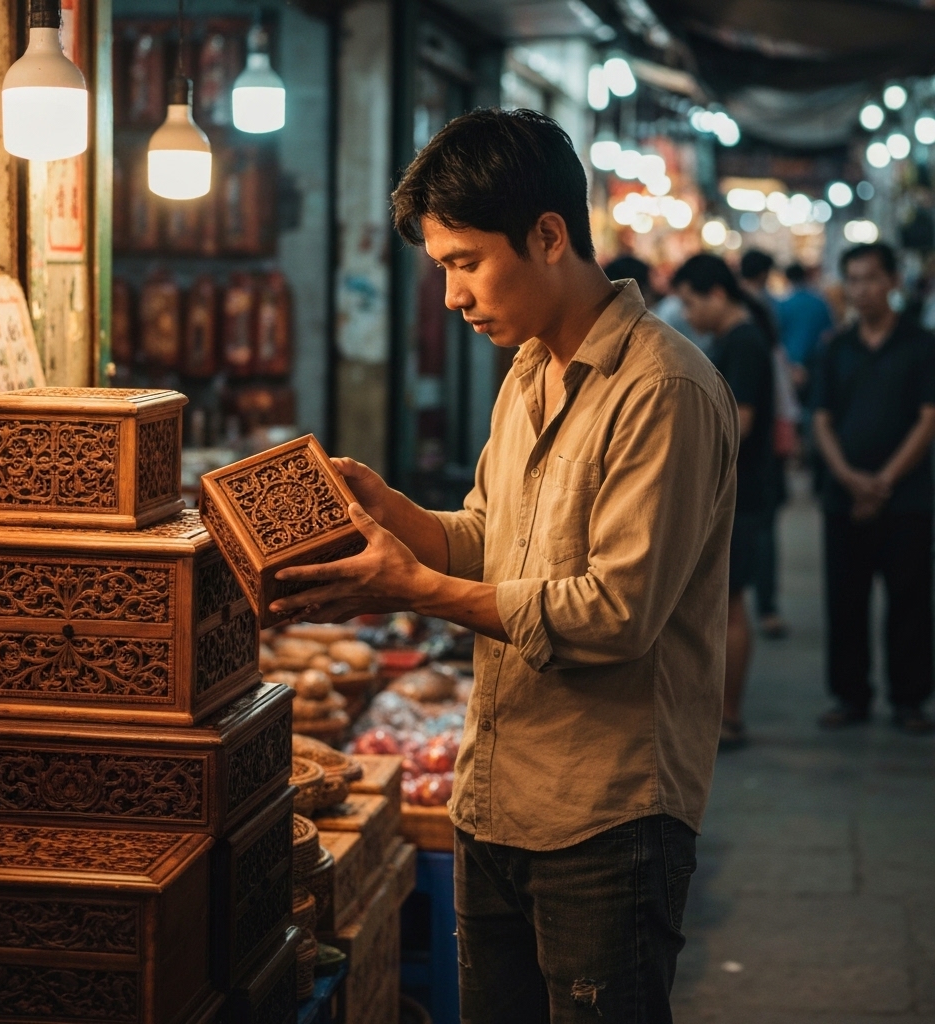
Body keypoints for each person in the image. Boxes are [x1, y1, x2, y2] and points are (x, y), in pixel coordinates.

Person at [268, 108, 739, 1022]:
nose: (451, 297)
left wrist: (416, 590)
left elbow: (616, 611)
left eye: (464, 263)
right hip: (495, 795)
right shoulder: (528, 372)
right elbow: (494, 535)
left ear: (549, 236)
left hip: (606, 817)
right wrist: (398, 516)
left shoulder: (665, 390)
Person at [813, 242, 935, 735]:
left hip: (905, 498)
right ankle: (850, 695)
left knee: (909, 600)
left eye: (870, 278)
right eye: (853, 280)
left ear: (892, 281)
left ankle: (909, 698)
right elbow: (820, 420)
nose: (860, 290)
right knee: (845, 601)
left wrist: (883, 481)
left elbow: (929, 419)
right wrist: (847, 477)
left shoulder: (921, 345)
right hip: (844, 498)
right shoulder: (834, 348)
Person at [673, 254, 775, 750]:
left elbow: (741, 419)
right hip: (741, 490)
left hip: (744, 492)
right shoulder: (737, 338)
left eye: (691, 303)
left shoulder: (744, 341)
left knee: (731, 605)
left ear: (717, 294)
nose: (688, 315)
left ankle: (729, 717)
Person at [740, 249, 798, 640]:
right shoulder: (766, 312)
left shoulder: (746, 327)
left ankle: (764, 607)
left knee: (757, 528)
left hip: (756, 452)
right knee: (764, 528)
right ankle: (767, 607)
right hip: (769, 444)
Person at [778, 262, 833, 402]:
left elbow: (778, 336)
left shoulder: (784, 305)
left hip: (789, 365)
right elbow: (829, 334)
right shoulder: (820, 303)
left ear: (787, 279)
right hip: (815, 365)